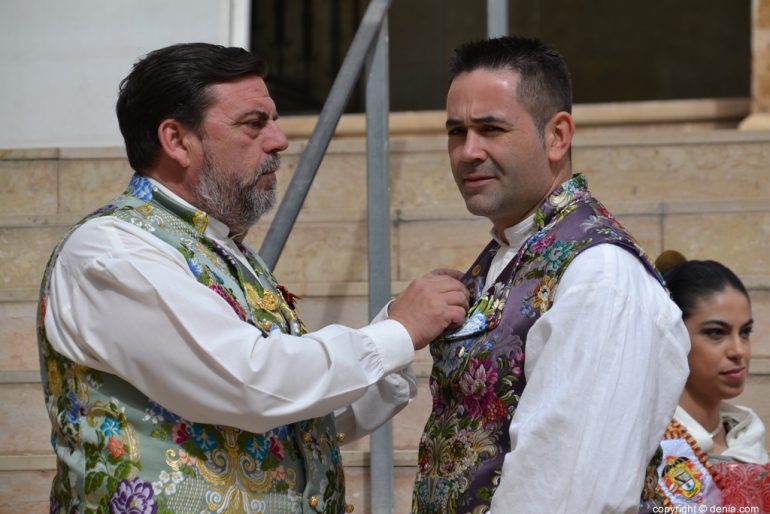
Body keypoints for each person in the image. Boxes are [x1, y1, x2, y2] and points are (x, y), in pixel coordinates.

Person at [37, 42, 469, 514]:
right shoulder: (112, 251)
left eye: (274, 120)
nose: (279, 140)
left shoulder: (222, 248)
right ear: (177, 140)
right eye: (253, 124)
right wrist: (396, 332)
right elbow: (250, 384)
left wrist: (392, 353)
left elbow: (293, 419)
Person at [410, 36, 691, 513]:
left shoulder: (599, 274)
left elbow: (566, 488)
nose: (467, 151)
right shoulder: (509, 255)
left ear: (558, 136)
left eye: (491, 128)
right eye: (456, 132)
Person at [646, 251, 769, 511]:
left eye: (745, 332)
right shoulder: (648, 446)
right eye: (716, 333)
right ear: (675, 336)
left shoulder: (747, 439)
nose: (738, 350)